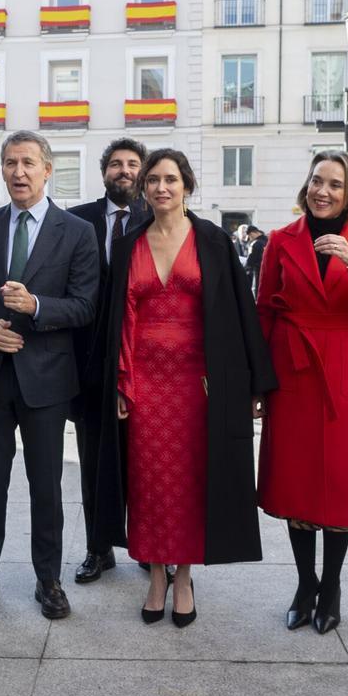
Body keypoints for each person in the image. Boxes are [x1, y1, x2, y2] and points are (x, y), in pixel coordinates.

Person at [89, 149, 277, 627]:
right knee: (149, 483)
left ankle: (185, 577)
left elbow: (240, 313)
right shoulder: (129, 244)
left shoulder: (213, 241)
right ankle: (155, 575)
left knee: (193, 482)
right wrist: (119, 383)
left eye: (170, 179)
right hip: (144, 384)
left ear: (187, 185)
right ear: (143, 188)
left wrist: (255, 381)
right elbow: (118, 322)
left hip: (201, 387)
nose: (160, 188)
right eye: (152, 180)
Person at [0, 130, 99, 620]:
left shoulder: (75, 231)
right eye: (10, 163)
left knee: (45, 486)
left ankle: (48, 580)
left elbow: (85, 305)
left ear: (47, 170)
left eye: (28, 163)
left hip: (47, 382)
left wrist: (35, 306)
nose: (18, 172)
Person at [255, 151, 348, 635]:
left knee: (341, 481)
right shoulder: (281, 240)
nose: (323, 191)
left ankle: (333, 586)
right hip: (293, 367)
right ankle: (305, 584)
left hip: (346, 367)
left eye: (335, 185)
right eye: (317, 181)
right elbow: (263, 311)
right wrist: (259, 381)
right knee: (296, 480)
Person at [66, 137, 149, 584]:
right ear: (103, 174)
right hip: (89, 362)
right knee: (93, 458)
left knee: (145, 459)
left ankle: (149, 547)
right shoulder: (77, 220)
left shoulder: (158, 220)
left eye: (132, 163)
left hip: (144, 363)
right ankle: (98, 549)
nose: (124, 170)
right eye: (115, 164)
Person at [244, 225, 267, 296]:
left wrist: (244, 270)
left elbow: (250, 261)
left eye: (250, 236)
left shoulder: (255, 244)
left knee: (257, 293)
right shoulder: (269, 240)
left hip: (257, 272)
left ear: (251, 233)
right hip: (269, 272)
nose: (250, 238)